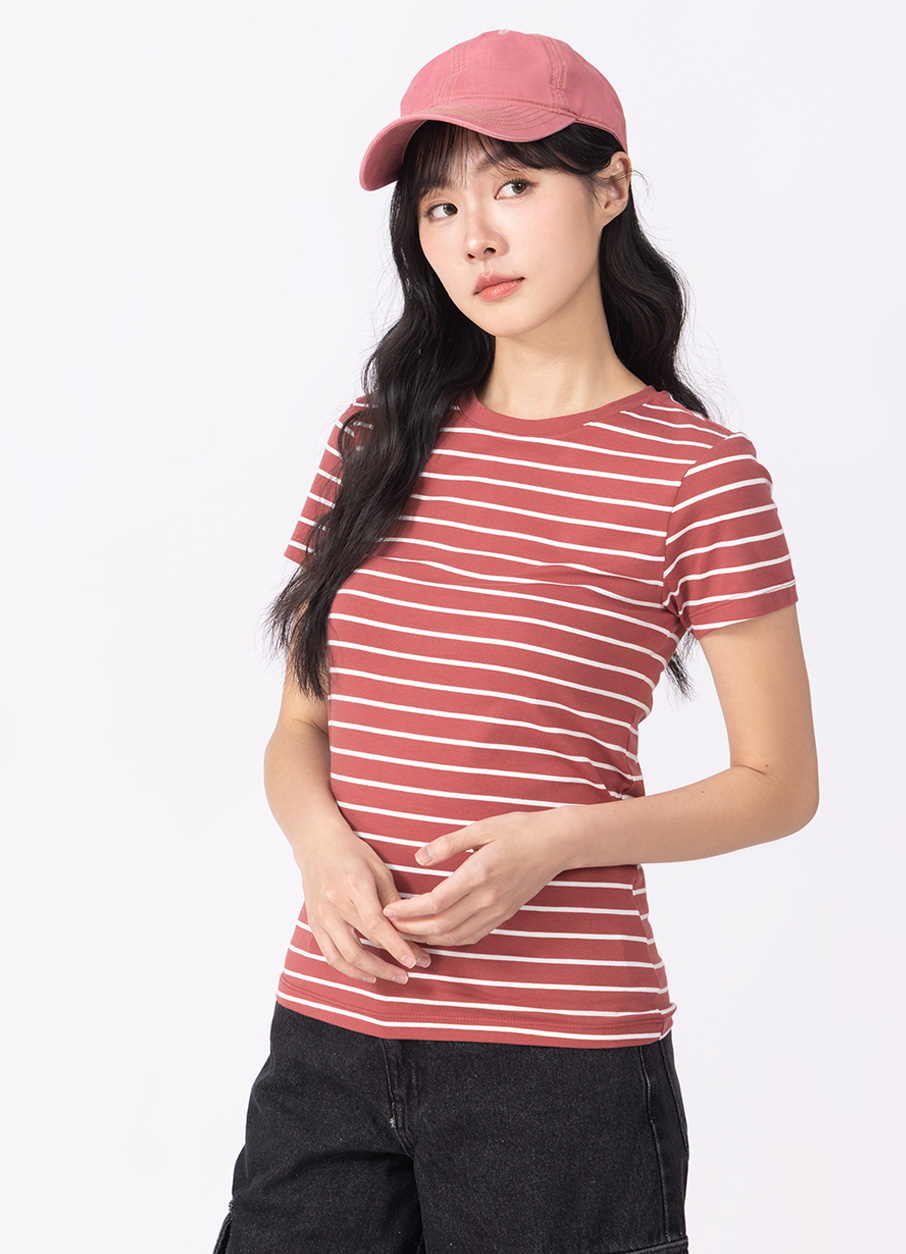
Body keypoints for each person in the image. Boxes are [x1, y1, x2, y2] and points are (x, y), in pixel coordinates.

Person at [213, 27, 818, 1254]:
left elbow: (779, 783)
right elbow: (300, 728)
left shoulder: (696, 475)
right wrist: (320, 844)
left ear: (610, 187)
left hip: (559, 1070)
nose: (473, 237)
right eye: (439, 205)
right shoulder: (373, 441)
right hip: (330, 1032)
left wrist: (557, 843)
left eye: (514, 185)